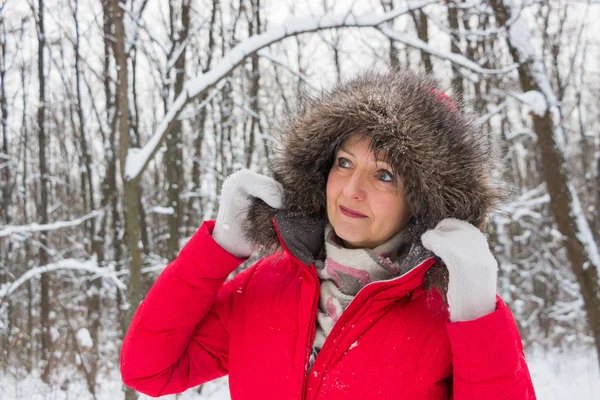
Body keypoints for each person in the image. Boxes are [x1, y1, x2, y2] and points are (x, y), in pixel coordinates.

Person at [120, 69, 536, 399]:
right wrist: (217, 250)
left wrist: (479, 318)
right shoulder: (265, 287)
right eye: (344, 162)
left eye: (385, 175)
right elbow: (149, 370)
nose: (352, 189)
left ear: (422, 200)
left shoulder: (447, 314)